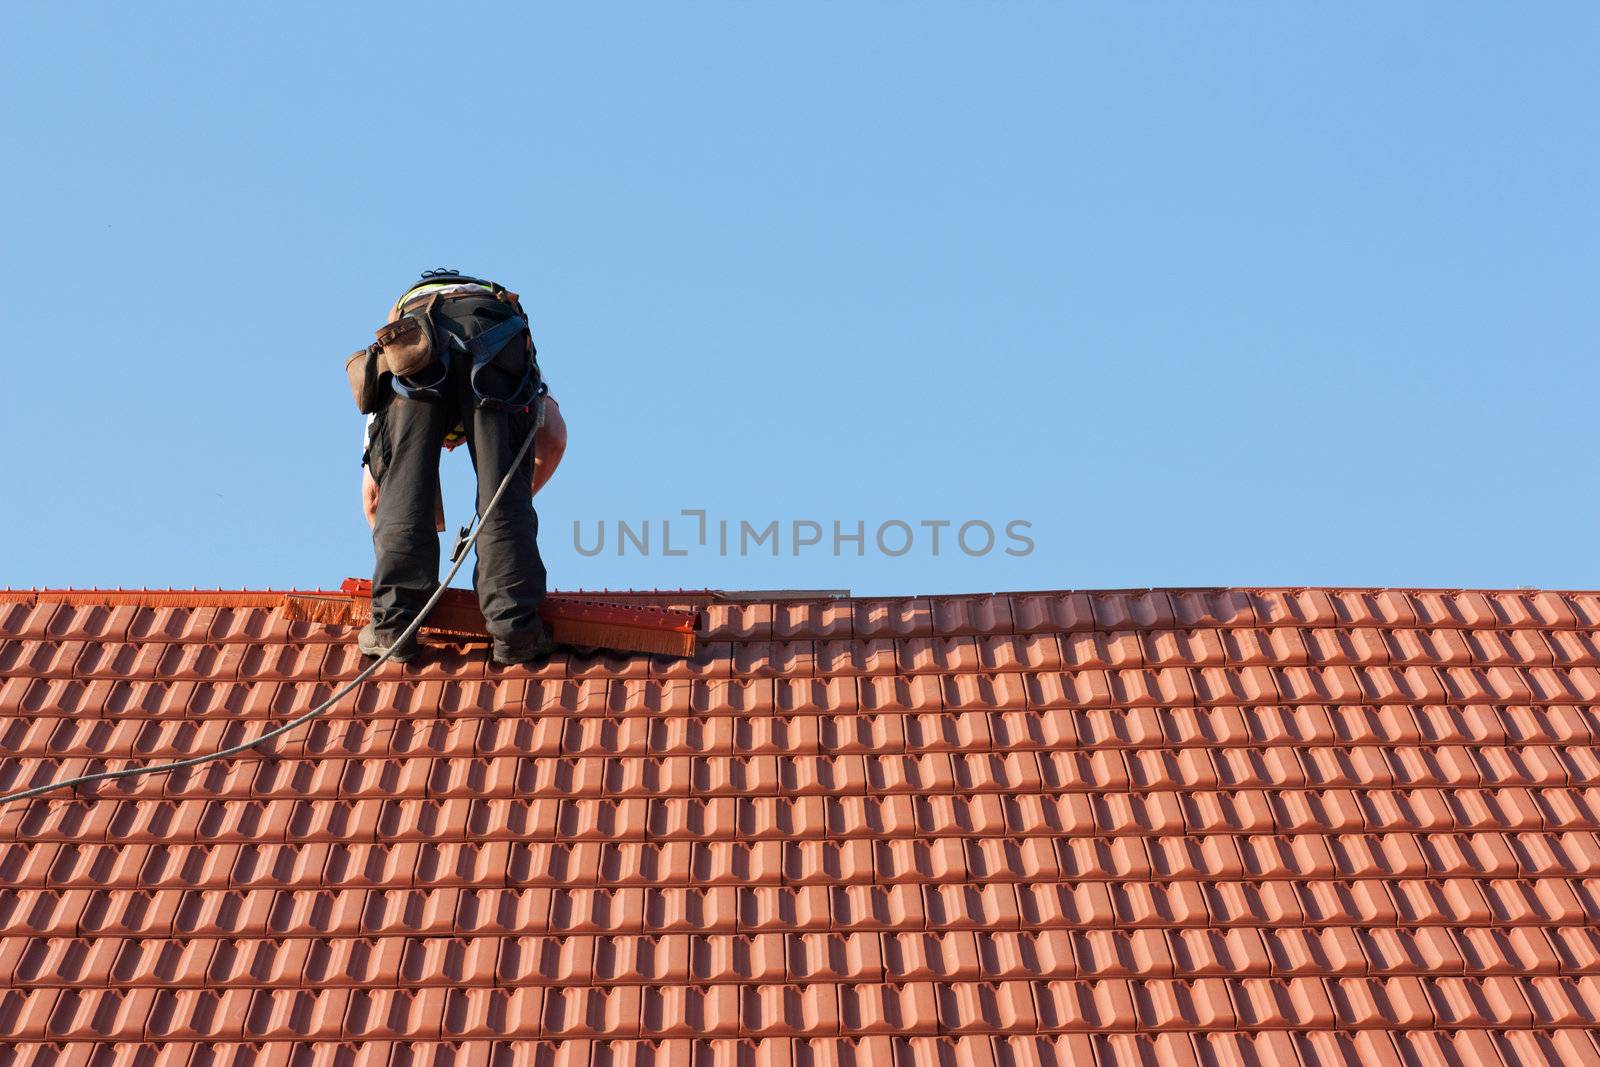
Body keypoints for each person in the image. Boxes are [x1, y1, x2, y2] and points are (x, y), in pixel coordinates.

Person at [358, 269, 567, 664]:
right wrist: (499, 510)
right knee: (502, 492)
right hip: (495, 333)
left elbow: (375, 499)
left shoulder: (388, 381)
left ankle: (392, 631)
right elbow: (554, 439)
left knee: (402, 489)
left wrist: (395, 554)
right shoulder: (518, 352)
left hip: (411, 342)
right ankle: (515, 631)